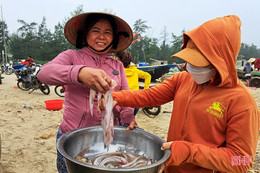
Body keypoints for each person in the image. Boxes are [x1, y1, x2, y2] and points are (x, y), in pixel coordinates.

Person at [101, 15, 260, 172]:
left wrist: (190, 152)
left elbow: (243, 160)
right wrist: (116, 97)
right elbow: (149, 96)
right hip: (170, 167)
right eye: (188, 60)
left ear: (221, 60)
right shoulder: (183, 79)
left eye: (197, 62)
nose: (189, 67)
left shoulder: (241, 102)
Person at [37, 12, 137, 173]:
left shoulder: (117, 66)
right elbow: (44, 73)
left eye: (107, 32)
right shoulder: (71, 57)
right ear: (85, 34)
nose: (102, 36)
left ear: (114, 38)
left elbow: (126, 96)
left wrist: (128, 117)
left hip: (108, 136)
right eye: (96, 30)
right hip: (73, 135)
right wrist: (80, 73)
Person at [116, 50, 151, 115]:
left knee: (120, 123)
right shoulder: (134, 70)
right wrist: (145, 90)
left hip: (122, 100)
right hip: (135, 100)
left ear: (118, 59)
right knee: (130, 121)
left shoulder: (117, 71)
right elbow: (148, 76)